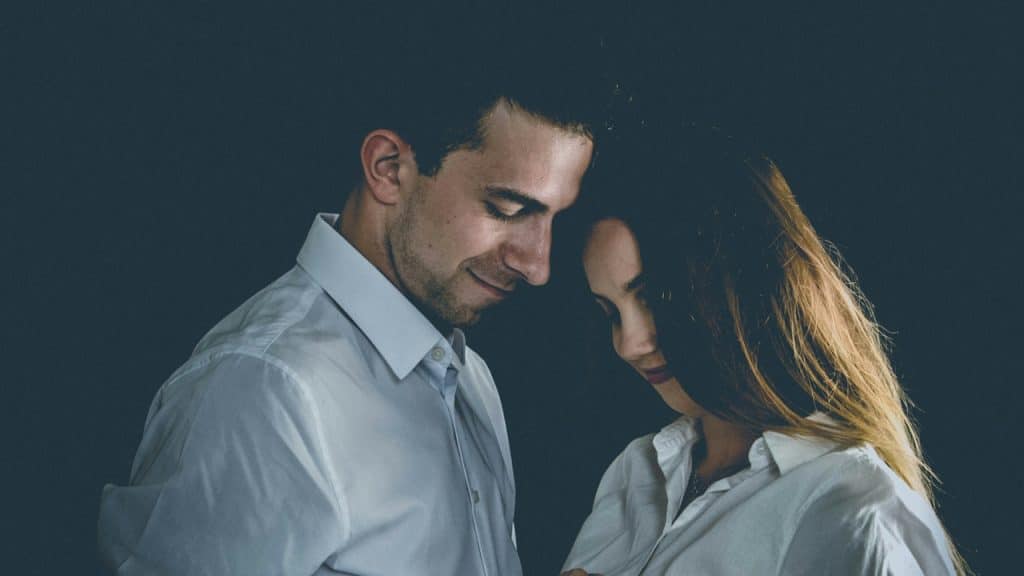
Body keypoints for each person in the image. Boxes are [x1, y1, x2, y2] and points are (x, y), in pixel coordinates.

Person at [97, 17, 605, 575]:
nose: (538, 266)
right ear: (388, 169)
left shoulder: (471, 379)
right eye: (508, 209)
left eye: (555, 218)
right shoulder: (264, 390)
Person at [561, 125, 966, 575]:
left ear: (744, 285)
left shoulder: (854, 515)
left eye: (656, 299)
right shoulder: (638, 472)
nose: (628, 344)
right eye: (610, 313)